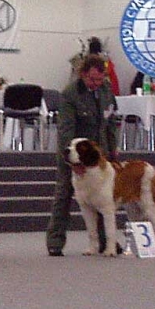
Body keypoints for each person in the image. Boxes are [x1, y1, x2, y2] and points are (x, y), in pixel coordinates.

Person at [45, 54, 120, 256]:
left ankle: (107, 242)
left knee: (104, 198)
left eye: (100, 79)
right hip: (74, 153)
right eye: (92, 79)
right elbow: (65, 130)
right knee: (64, 194)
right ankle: (55, 241)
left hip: (98, 155)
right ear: (83, 74)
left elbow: (111, 122)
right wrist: (70, 161)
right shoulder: (70, 94)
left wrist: (113, 150)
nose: (97, 83)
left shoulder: (106, 90)